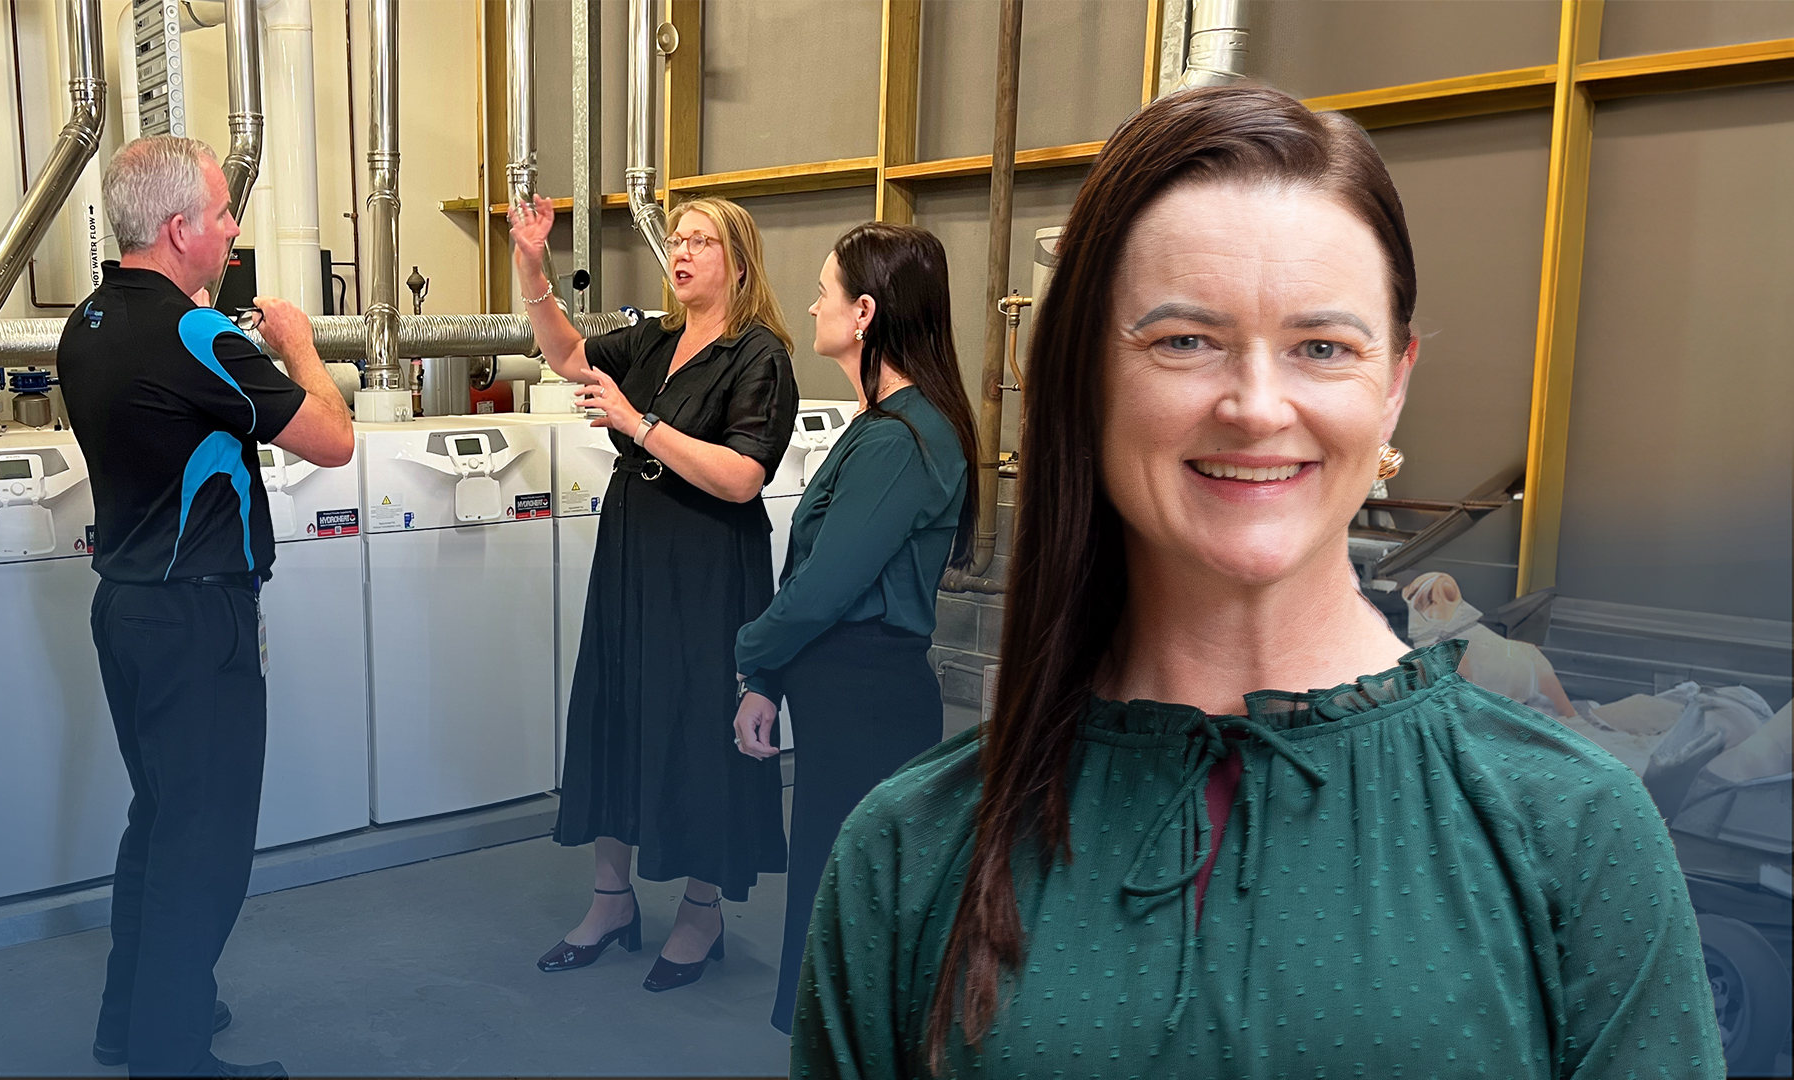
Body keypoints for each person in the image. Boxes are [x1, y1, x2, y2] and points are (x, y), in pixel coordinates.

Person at [790, 86, 1722, 1077]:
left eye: (1323, 347)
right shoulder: (910, 850)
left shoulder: (1575, 832)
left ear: (1394, 382)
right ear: (1085, 375)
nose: (1257, 406)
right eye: (1184, 340)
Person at [56, 136, 352, 1078]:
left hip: (128, 614)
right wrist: (300, 347)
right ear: (179, 227)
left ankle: (132, 1022)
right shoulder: (195, 336)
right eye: (224, 213)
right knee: (207, 846)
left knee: (159, 823)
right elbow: (332, 441)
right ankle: (171, 1055)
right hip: (197, 621)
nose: (233, 230)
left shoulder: (89, 320)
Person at [510, 194, 798, 991]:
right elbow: (568, 356)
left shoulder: (758, 355)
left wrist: (638, 425)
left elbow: (742, 477)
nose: (682, 251)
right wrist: (532, 264)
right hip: (634, 549)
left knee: (697, 722)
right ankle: (612, 900)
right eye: (676, 238)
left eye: (700, 241)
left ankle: (702, 911)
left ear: (737, 260)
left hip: (707, 565)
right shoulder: (654, 337)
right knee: (619, 707)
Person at [729, 223, 975, 1033]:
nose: (810, 305)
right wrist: (769, 679)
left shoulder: (904, 438)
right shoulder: (878, 427)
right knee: (836, 889)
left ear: (864, 312)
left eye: (825, 291)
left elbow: (824, 589)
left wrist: (748, 656)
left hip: (869, 695)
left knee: (857, 898)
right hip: (841, 690)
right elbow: (814, 577)